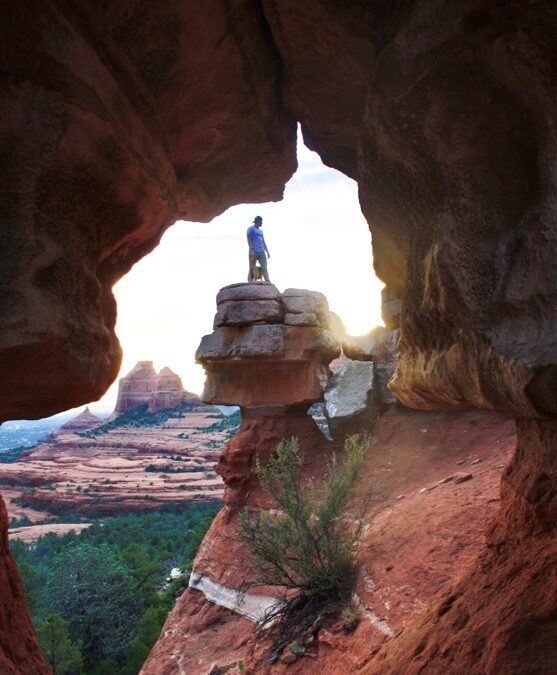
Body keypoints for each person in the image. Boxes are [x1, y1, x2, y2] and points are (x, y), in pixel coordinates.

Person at [247, 215, 271, 282]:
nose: (262, 223)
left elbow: (263, 241)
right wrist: (251, 250)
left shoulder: (261, 231)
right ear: (257, 221)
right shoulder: (251, 229)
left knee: (264, 267)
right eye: (261, 221)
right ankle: (250, 281)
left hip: (262, 251)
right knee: (252, 267)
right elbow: (249, 239)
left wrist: (267, 252)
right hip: (254, 251)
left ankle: (267, 280)